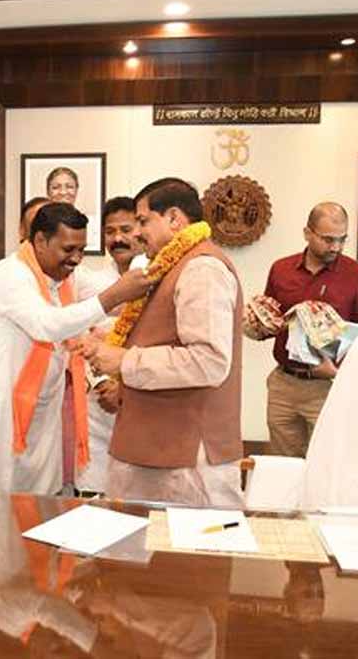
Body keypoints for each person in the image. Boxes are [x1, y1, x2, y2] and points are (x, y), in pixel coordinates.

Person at [82, 178, 244, 506]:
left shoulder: (202, 268)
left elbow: (208, 361)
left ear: (173, 218)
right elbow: (165, 333)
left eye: (143, 221)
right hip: (156, 446)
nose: (137, 233)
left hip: (185, 457)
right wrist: (112, 339)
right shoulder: (172, 265)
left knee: (188, 541)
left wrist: (124, 360)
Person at [0, 202, 152, 494]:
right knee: (0, 505)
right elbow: (47, 324)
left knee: (43, 501)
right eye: (69, 249)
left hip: (45, 412)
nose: (76, 259)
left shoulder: (67, 274)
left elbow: (115, 302)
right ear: (40, 241)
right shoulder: (10, 275)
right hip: (5, 412)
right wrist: (113, 296)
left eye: (81, 250)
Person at [254, 202, 358, 457]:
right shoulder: (281, 269)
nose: (336, 247)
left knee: (325, 465)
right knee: (283, 466)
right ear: (307, 233)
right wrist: (256, 325)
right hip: (284, 385)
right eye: (328, 239)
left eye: (342, 239)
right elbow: (272, 324)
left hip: (328, 387)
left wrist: (337, 371)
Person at [73, 196, 141, 494]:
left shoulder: (160, 278)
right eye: (110, 232)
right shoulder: (90, 281)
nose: (117, 239)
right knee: (96, 488)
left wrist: (123, 388)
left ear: (141, 229)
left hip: (141, 397)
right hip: (99, 400)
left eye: (126, 229)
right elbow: (79, 336)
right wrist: (103, 384)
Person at [0, 197, 50, 296]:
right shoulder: (2, 272)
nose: (45, 235)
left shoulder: (69, 271)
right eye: (36, 227)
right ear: (21, 231)